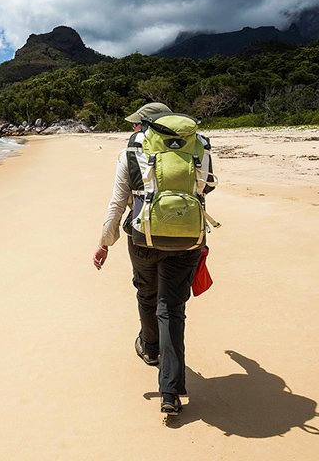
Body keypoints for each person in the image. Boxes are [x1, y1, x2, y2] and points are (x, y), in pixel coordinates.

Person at [92, 102, 216, 416]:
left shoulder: (130, 153)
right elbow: (208, 186)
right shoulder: (199, 147)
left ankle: (150, 349)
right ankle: (171, 392)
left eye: (137, 124)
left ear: (147, 125)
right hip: (188, 239)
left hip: (143, 239)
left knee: (146, 293)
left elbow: (117, 202)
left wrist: (105, 242)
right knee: (172, 308)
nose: (134, 128)